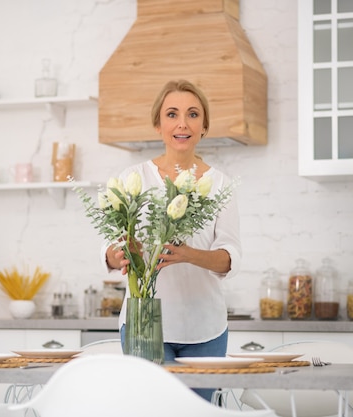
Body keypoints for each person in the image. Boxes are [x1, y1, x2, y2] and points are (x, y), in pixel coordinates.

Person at [101, 79, 242, 402]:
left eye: (193, 114)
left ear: (204, 126)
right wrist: (118, 254)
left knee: (199, 411)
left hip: (205, 328)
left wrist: (190, 254)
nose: (182, 123)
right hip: (144, 324)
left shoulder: (220, 184)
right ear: (158, 124)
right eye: (172, 114)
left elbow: (231, 256)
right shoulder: (132, 178)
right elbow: (109, 249)